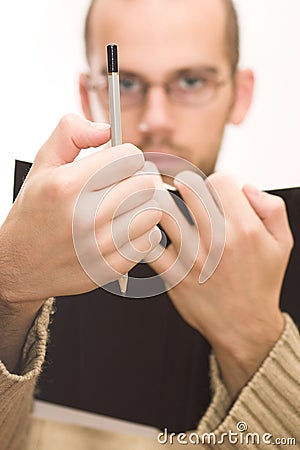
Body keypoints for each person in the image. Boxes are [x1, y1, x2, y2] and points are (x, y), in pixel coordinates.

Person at [0, 0, 299, 449]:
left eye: (191, 81)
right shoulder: (26, 246)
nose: (156, 119)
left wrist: (258, 344)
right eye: (130, 84)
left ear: (240, 93)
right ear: (90, 95)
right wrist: (9, 288)